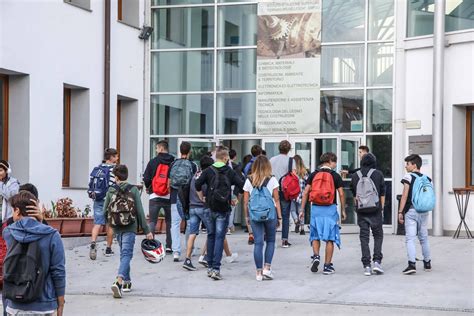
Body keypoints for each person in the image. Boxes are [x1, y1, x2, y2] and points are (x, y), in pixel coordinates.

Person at [3, 191, 65, 316]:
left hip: (15, 304)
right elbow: (58, 271)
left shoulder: (8, 232)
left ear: (17, 211)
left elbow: (24, 229)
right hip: (44, 304)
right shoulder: (52, 235)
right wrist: (61, 302)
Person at [195, 146, 244, 280]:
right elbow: (242, 184)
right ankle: (216, 268)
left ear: (215, 157)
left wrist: (201, 197)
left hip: (209, 207)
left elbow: (197, 184)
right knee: (219, 238)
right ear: (226, 158)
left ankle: (210, 267)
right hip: (223, 208)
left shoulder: (208, 171)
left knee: (211, 236)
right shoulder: (230, 171)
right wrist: (235, 199)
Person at [105, 165, 153, 298]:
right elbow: (140, 210)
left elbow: (105, 210)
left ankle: (127, 282)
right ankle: (119, 281)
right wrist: (146, 230)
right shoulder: (133, 189)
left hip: (117, 227)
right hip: (130, 227)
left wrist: (111, 225)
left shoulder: (111, 190)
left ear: (116, 177)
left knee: (124, 254)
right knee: (126, 255)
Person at [300, 152, 346, 275]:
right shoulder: (335, 175)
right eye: (335, 162)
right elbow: (341, 193)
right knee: (330, 238)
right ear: (330, 161)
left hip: (315, 208)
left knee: (315, 235)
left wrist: (301, 209)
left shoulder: (314, 174)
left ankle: (316, 256)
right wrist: (343, 210)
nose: (335, 165)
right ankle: (327, 266)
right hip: (330, 209)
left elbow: (305, 192)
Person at [243, 156, 282, 281]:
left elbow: (245, 202)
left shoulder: (249, 180)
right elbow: (276, 200)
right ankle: (267, 268)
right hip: (270, 215)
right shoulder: (273, 179)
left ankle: (258, 273)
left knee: (258, 243)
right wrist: (279, 217)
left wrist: (247, 216)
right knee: (270, 241)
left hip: (254, 215)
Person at [350, 153, 385, 276]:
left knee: (364, 237)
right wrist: (381, 209)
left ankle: (366, 266)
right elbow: (382, 194)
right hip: (375, 210)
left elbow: (355, 195)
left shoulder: (355, 175)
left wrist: (358, 208)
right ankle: (377, 262)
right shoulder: (378, 174)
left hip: (362, 211)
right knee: (378, 236)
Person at [398, 154, 432, 275]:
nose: (406, 166)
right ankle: (427, 263)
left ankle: (411, 264)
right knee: (424, 237)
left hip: (411, 211)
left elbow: (404, 195)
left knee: (410, 238)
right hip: (424, 211)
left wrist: (400, 211)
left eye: (408, 164)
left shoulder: (408, 177)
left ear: (414, 165)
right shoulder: (427, 178)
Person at [143, 140, 175, 254]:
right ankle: (169, 246)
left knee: (152, 222)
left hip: (154, 195)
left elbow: (146, 178)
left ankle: (151, 245)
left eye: (156, 148)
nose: (156, 151)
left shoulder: (153, 162)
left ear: (161, 149)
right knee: (169, 222)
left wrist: (148, 187)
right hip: (169, 195)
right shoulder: (173, 161)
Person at [182, 156, 214, 271]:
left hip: (192, 207)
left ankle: (188, 259)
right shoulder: (206, 177)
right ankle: (204, 256)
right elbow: (206, 193)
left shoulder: (194, 176)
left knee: (192, 233)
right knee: (211, 232)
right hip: (203, 208)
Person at [169, 142, 197, 262]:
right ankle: (189, 248)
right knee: (190, 224)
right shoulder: (193, 165)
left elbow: (169, 182)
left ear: (180, 151)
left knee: (175, 224)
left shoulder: (173, 164)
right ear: (190, 151)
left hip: (175, 196)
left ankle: (176, 251)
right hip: (187, 198)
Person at [88, 148, 119, 260]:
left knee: (97, 223)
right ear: (111, 157)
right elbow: (116, 185)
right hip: (109, 200)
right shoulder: (114, 170)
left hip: (98, 199)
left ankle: (93, 242)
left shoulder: (97, 168)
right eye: (116, 156)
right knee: (109, 224)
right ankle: (108, 249)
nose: (117, 158)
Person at [269, 140, 296, 248]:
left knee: (272, 214)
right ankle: (284, 240)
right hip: (285, 191)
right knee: (285, 216)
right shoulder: (290, 161)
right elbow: (294, 175)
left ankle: (269, 236)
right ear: (289, 149)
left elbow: (268, 174)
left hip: (272, 190)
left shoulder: (272, 160)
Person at [0, 160, 20, 291]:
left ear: (7, 171)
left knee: (5, 245)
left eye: (1, 170)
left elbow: (11, 197)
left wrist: (1, 185)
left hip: (6, 218)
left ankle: (5, 275)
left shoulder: (13, 183)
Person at [291, 155, 308, 234]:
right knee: (301, 211)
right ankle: (302, 229)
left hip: (293, 194)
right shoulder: (304, 172)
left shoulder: (292, 172)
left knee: (293, 210)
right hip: (301, 195)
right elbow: (308, 183)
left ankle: (296, 220)